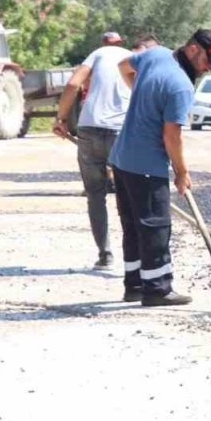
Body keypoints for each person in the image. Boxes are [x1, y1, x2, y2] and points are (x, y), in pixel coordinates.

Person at [108, 28, 211, 306]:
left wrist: (140, 92)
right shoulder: (181, 86)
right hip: (147, 165)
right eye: (208, 61)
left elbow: (123, 66)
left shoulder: (155, 55)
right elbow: (171, 135)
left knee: (133, 227)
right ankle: (158, 289)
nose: (209, 68)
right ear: (194, 49)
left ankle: (134, 286)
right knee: (155, 227)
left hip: (122, 159)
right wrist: (182, 172)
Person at [52, 31, 133, 269]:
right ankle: (134, 258)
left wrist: (61, 119)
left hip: (89, 128)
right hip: (121, 130)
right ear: (120, 42)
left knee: (95, 195)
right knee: (128, 195)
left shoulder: (96, 55)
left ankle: (105, 254)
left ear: (103, 43)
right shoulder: (131, 57)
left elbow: (72, 84)